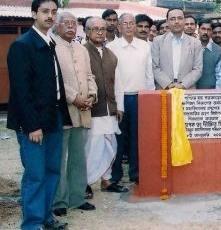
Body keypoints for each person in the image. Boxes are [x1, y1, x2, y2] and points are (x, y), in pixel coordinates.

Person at [7, 0, 71, 230]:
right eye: (45, 11)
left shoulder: (50, 43)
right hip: (32, 122)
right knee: (35, 173)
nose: (50, 16)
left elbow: (56, 85)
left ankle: (45, 216)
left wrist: (61, 115)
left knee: (53, 170)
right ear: (34, 14)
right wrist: (32, 125)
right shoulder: (22, 45)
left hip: (53, 116)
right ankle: (32, 224)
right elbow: (21, 91)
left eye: (54, 12)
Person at [52, 12, 98, 217]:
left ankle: (77, 198)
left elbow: (89, 75)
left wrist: (91, 95)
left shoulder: (81, 49)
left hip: (83, 110)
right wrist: (73, 98)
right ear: (57, 26)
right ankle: (59, 201)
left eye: (74, 24)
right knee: (59, 158)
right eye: (66, 23)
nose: (71, 27)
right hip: (63, 110)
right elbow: (56, 79)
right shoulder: (51, 46)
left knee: (79, 156)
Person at [107, 13, 155, 185]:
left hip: (140, 97)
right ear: (118, 26)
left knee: (137, 137)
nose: (128, 26)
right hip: (119, 99)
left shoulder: (145, 46)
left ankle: (136, 173)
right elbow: (110, 77)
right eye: (125, 23)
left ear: (135, 26)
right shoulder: (111, 47)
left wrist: (150, 97)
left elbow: (149, 74)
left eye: (132, 23)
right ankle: (115, 175)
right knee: (118, 138)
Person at [83, 17, 128, 195]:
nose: (100, 32)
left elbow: (118, 83)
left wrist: (120, 106)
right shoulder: (82, 52)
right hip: (92, 110)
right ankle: (85, 182)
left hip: (110, 109)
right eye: (95, 29)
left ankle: (106, 180)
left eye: (103, 29)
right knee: (92, 147)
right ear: (87, 32)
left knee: (111, 145)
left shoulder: (110, 55)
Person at [151, 8, 203, 90]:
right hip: (164, 88)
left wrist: (183, 84)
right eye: (172, 19)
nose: (176, 21)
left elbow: (198, 69)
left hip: (187, 89)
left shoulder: (195, 43)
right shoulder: (158, 41)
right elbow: (155, 67)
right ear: (167, 22)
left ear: (184, 20)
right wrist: (169, 84)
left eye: (180, 18)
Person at [196, 19, 221, 89]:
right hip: (191, 92)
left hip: (211, 93)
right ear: (198, 30)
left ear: (211, 32)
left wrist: (218, 95)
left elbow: (220, 77)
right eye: (203, 29)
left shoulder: (219, 51)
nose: (205, 32)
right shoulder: (190, 47)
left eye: (208, 30)